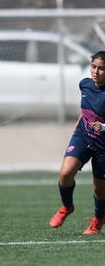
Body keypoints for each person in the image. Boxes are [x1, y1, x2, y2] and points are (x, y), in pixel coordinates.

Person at [49, 51, 105, 234]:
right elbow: (88, 108)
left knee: (99, 189)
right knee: (65, 173)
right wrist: (81, 118)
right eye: (94, 67)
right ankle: (67, 207)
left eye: (101, 68)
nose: (96, 72)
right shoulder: (85, 84)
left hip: (103, 146)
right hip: (82, 136)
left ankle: (98, 220)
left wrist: (103, 127)